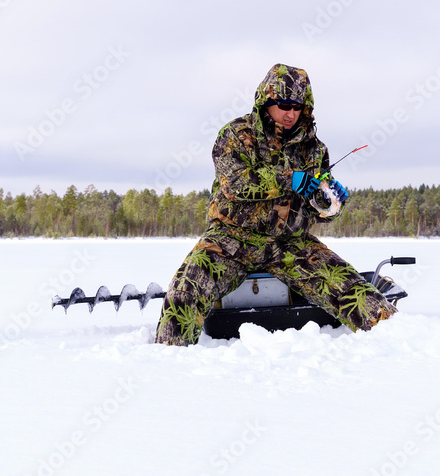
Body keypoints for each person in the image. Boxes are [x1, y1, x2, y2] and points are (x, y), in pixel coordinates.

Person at [155, 63, 397, 345]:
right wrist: (289, 179)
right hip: (231, 240)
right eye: (283, 105)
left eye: (297, 107)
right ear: (265, 102)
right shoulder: (235, 135)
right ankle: (168, 364)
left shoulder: (313, 149)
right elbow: (234, 184)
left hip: (289, 243)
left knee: (359, 294)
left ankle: (402, 346)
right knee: (184, 293)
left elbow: (318, 210)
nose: (290, 114)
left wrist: (330, 201)